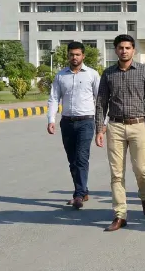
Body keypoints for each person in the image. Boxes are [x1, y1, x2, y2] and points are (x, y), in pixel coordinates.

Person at [95, 34, 145, 232]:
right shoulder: (108, 74)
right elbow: (101, 103)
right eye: (120, 48)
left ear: (133, 50)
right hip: (116, 127)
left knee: (141, 169)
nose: (124, 51)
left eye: (127, 48)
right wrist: (100, 129)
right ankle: (120, 214)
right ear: (115, 50)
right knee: (116, 173)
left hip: (139, 126)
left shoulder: (144, 72)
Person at [46, 41, 100, 209]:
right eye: (71, 54)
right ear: (68, 55)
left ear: (83, 56)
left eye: (77, 54)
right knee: (72, 160)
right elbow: (54, 98)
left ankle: (78, 195)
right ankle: (83, 190)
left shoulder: (92, 74)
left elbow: (100, 100)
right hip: (67, 122)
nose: (74, 57)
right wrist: (51, 120)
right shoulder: (61, 76)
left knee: (81, 157)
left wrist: (102, 124)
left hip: (86, 121)